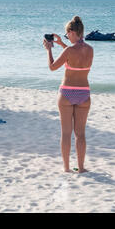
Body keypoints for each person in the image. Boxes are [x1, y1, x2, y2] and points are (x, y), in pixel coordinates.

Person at [43, 16, 94, 173]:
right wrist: (61, 44)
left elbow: (52, 67)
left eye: (66, 34)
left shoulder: (68, 50)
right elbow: (75, 56)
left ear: (72, 32)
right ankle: (81, 168)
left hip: (66, 93)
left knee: (66, 133)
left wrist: (49, 49)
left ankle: (66, 168)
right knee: (80, 134)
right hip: (84, 94)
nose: (67, 37)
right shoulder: (90, 50)